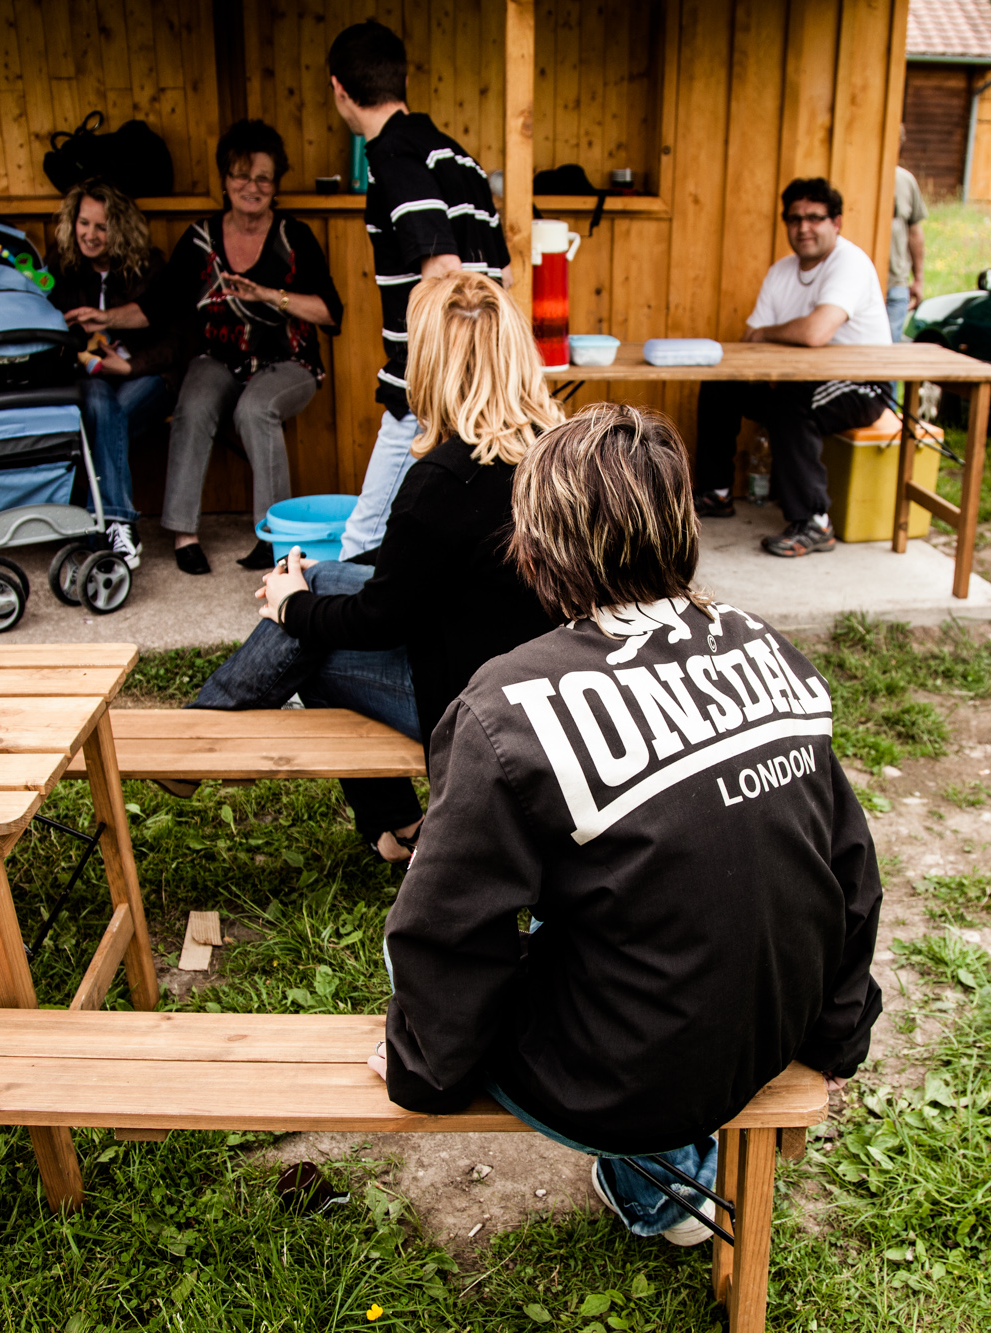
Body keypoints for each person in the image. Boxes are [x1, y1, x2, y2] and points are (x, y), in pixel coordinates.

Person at [368, 402, 882, 1245]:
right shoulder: (770, 647)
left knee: (440, 935)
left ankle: (658, 1186)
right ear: (683, 528)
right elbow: (851, 870)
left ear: (533, 549)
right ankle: (676, 1162)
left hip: (627, 1079)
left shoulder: (505, 704)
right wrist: (837, 1033)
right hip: (775, 1019)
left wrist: (422, 1066)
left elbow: (447, 928)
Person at [186, 271, 560, 861]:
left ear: (429, 365)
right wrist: (317, 585)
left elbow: (384, 619)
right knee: (321, 590)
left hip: (475, 709)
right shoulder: (560, 455)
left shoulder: (440, 480)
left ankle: (197, 736)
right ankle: (394, 826)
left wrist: (293, 604)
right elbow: (420, 564)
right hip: (549, 687)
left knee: (311, 635)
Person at [73, 119, 343, 573]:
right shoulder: (200, 238)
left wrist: (267, 296)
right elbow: (155, 308)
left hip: (288, 361)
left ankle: (274, 536)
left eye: (263, 177)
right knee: (193, 403)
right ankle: (184, 535)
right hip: (218, 356)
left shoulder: (294, 237)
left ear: (275, 185)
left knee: (254, 409)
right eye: (242, 175)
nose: (252, 186)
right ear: (225, 180)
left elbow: (330, 313)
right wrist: (105, 319)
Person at [326, 19, 513, 562]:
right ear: (400, 80)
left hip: (429, 388)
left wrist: (435, 386)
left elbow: (445, 271)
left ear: (339, 88)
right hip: (483, 386)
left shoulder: (391, 155)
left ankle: (338, 635)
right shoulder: (457, 156)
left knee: (364, 541)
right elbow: (502, 274)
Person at [691, 178, 893, 558]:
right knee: (721, 383)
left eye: (815, 218)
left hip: (862, 386)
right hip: (795, 382)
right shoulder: (782, 271)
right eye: (794, 219)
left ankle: (814, 522)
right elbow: (752, 336)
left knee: (792, 403)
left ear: (837, 222)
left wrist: (772, 333)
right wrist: (774, 334)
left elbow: (816, 332)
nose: (803, 228)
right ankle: (716, 492)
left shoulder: (849, 263)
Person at [49, 182, 173, 568]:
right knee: (101, 402)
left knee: (104, 415)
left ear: (119, 230)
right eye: (83, 223)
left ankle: (94, 527)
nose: (90, 234)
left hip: (147, 376)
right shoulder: (60, 268)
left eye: (101, 227)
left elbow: (175, 339)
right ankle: (118, 522)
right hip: (88, 379)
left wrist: (131, 366)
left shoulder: (149, 267)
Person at [885, 160, 927, 341]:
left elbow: (914, 232)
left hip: (895, 285)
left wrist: (918, 279)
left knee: (887, 354)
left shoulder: (905, 180)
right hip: (854, 286)